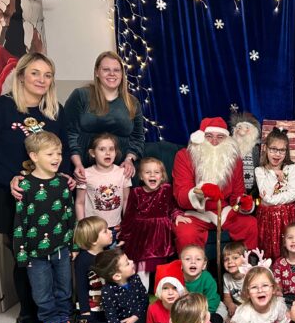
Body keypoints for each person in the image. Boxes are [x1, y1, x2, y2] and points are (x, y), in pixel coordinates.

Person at [0, 51, 70, 323]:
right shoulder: (0, 108)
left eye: (47, 75)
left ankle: (56, 310)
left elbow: (64, 149)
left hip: (49, 199)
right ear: (21, 75)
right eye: (35, 73)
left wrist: (65, 176)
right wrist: (8, 178)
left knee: (56, 258)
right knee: (25, 258)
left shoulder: (54, 110)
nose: (41, 80)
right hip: (14, 197)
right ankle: (28, 313)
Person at [12, 131, 76, 323]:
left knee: (64, 287)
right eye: (50, 154)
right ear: (34, 156)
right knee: (42, 291)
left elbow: (69, 216)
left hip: (61, 248)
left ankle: (65, 317)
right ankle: (50, 321)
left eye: (59, 153)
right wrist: (21, 254)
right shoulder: (25, 186)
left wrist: (74, 246)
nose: (56, 158)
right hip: (35, 253)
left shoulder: (62, 184)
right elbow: (20, 222)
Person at [171, 116, 257, 250]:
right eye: (209, 136)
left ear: (227, 140)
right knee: (186, 233)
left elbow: (237, 194)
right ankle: (193, 265)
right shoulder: (184, 156)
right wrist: (201, 191)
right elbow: (181, 195)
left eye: (220, 137)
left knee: (250, 224)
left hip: (223, 211)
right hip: (195, 213)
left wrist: (243, 203)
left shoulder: (234, 160)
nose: (214, 142)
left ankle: (248, 263)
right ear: (201, 137)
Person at [65, 50, 145, 184]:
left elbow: (138, 138)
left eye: (116, 70)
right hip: (84, 170)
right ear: (97, 72)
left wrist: (129, 160)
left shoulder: (132, 102)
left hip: (121, 172)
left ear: (122, 74)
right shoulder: (81, 96)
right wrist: (77, 164)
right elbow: (69, 133)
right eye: (106, 69)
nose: (112, 74)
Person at [119, 157, 190, 290]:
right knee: (142, 270)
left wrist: (177, 216)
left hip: (160, 237)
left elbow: (173, 208)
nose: (152, 175)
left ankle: (164, 295)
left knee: (161, 269)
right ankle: (142, 295)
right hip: (141, 238)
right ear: (141, 176)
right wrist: (124, 236)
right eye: (148, 172)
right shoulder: (136, 192)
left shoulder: (166, 189)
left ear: (162, 176)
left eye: (156, 172)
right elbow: (129, 216)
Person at [75, 133, 131, 246]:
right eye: (102, 149)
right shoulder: (85, 174)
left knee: (112, 256)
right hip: (93, 228)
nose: (108, 153)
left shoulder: (123, 173)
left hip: (116, 227)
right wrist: (82, 226)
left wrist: (126, 225)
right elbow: (80, 202)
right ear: (92, 153)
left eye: (111, 149)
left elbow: (126, 200)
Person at [90, 248, 148, 323]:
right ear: (117, 276)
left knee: (148, 316)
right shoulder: (107, 291)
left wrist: (135, 317)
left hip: (137, 318)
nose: (132, 261)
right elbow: (111, 317)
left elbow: (144, 300)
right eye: (127, 263)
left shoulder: (135, 278)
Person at [255, 127, 295, 259]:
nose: (277, 154)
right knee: (268, 248)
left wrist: (271, 200)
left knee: (287, 247)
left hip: (287, 214)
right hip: (266, 216)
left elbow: (293, 194)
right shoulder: (260, 171)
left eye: (281, 150)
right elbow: (265, 192)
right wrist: (273, 174)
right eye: (273, 149)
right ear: (266, 149)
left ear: (286, 152)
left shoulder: (291, 169)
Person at [155, 245, 224, 323]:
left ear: (204, 265)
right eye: (188, 259)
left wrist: (202, 315)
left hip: (209, 307)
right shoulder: (177, 279)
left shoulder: (207, 279)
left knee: (215, 319)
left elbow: (212, 301)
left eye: (198, 259)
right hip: (187, 310)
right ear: (181, 264)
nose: (193, 262)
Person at [73, 216, 113, 323]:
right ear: (94, 240)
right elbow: (81, 288)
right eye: (105, 231)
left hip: (109, 306)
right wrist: (85, 312)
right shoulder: (82, 260)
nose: (110, 232)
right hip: (92, 307)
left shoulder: (109, 254)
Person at [230, 111, 261, 193]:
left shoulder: (257, 149)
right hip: (236, 190)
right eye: (239, 127)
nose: (241, 130)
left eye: (246, 127)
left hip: (255, 189)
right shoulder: (232, 149)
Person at [221, 241, 247, 323]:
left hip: (251, 305)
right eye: (226, 259)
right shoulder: (226, 277)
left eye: (235, 258)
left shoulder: (249, 274)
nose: (230, 261)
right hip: (237, 305)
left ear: (245, 259)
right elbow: (227, 297)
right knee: (221, 306)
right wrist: (230, 304)